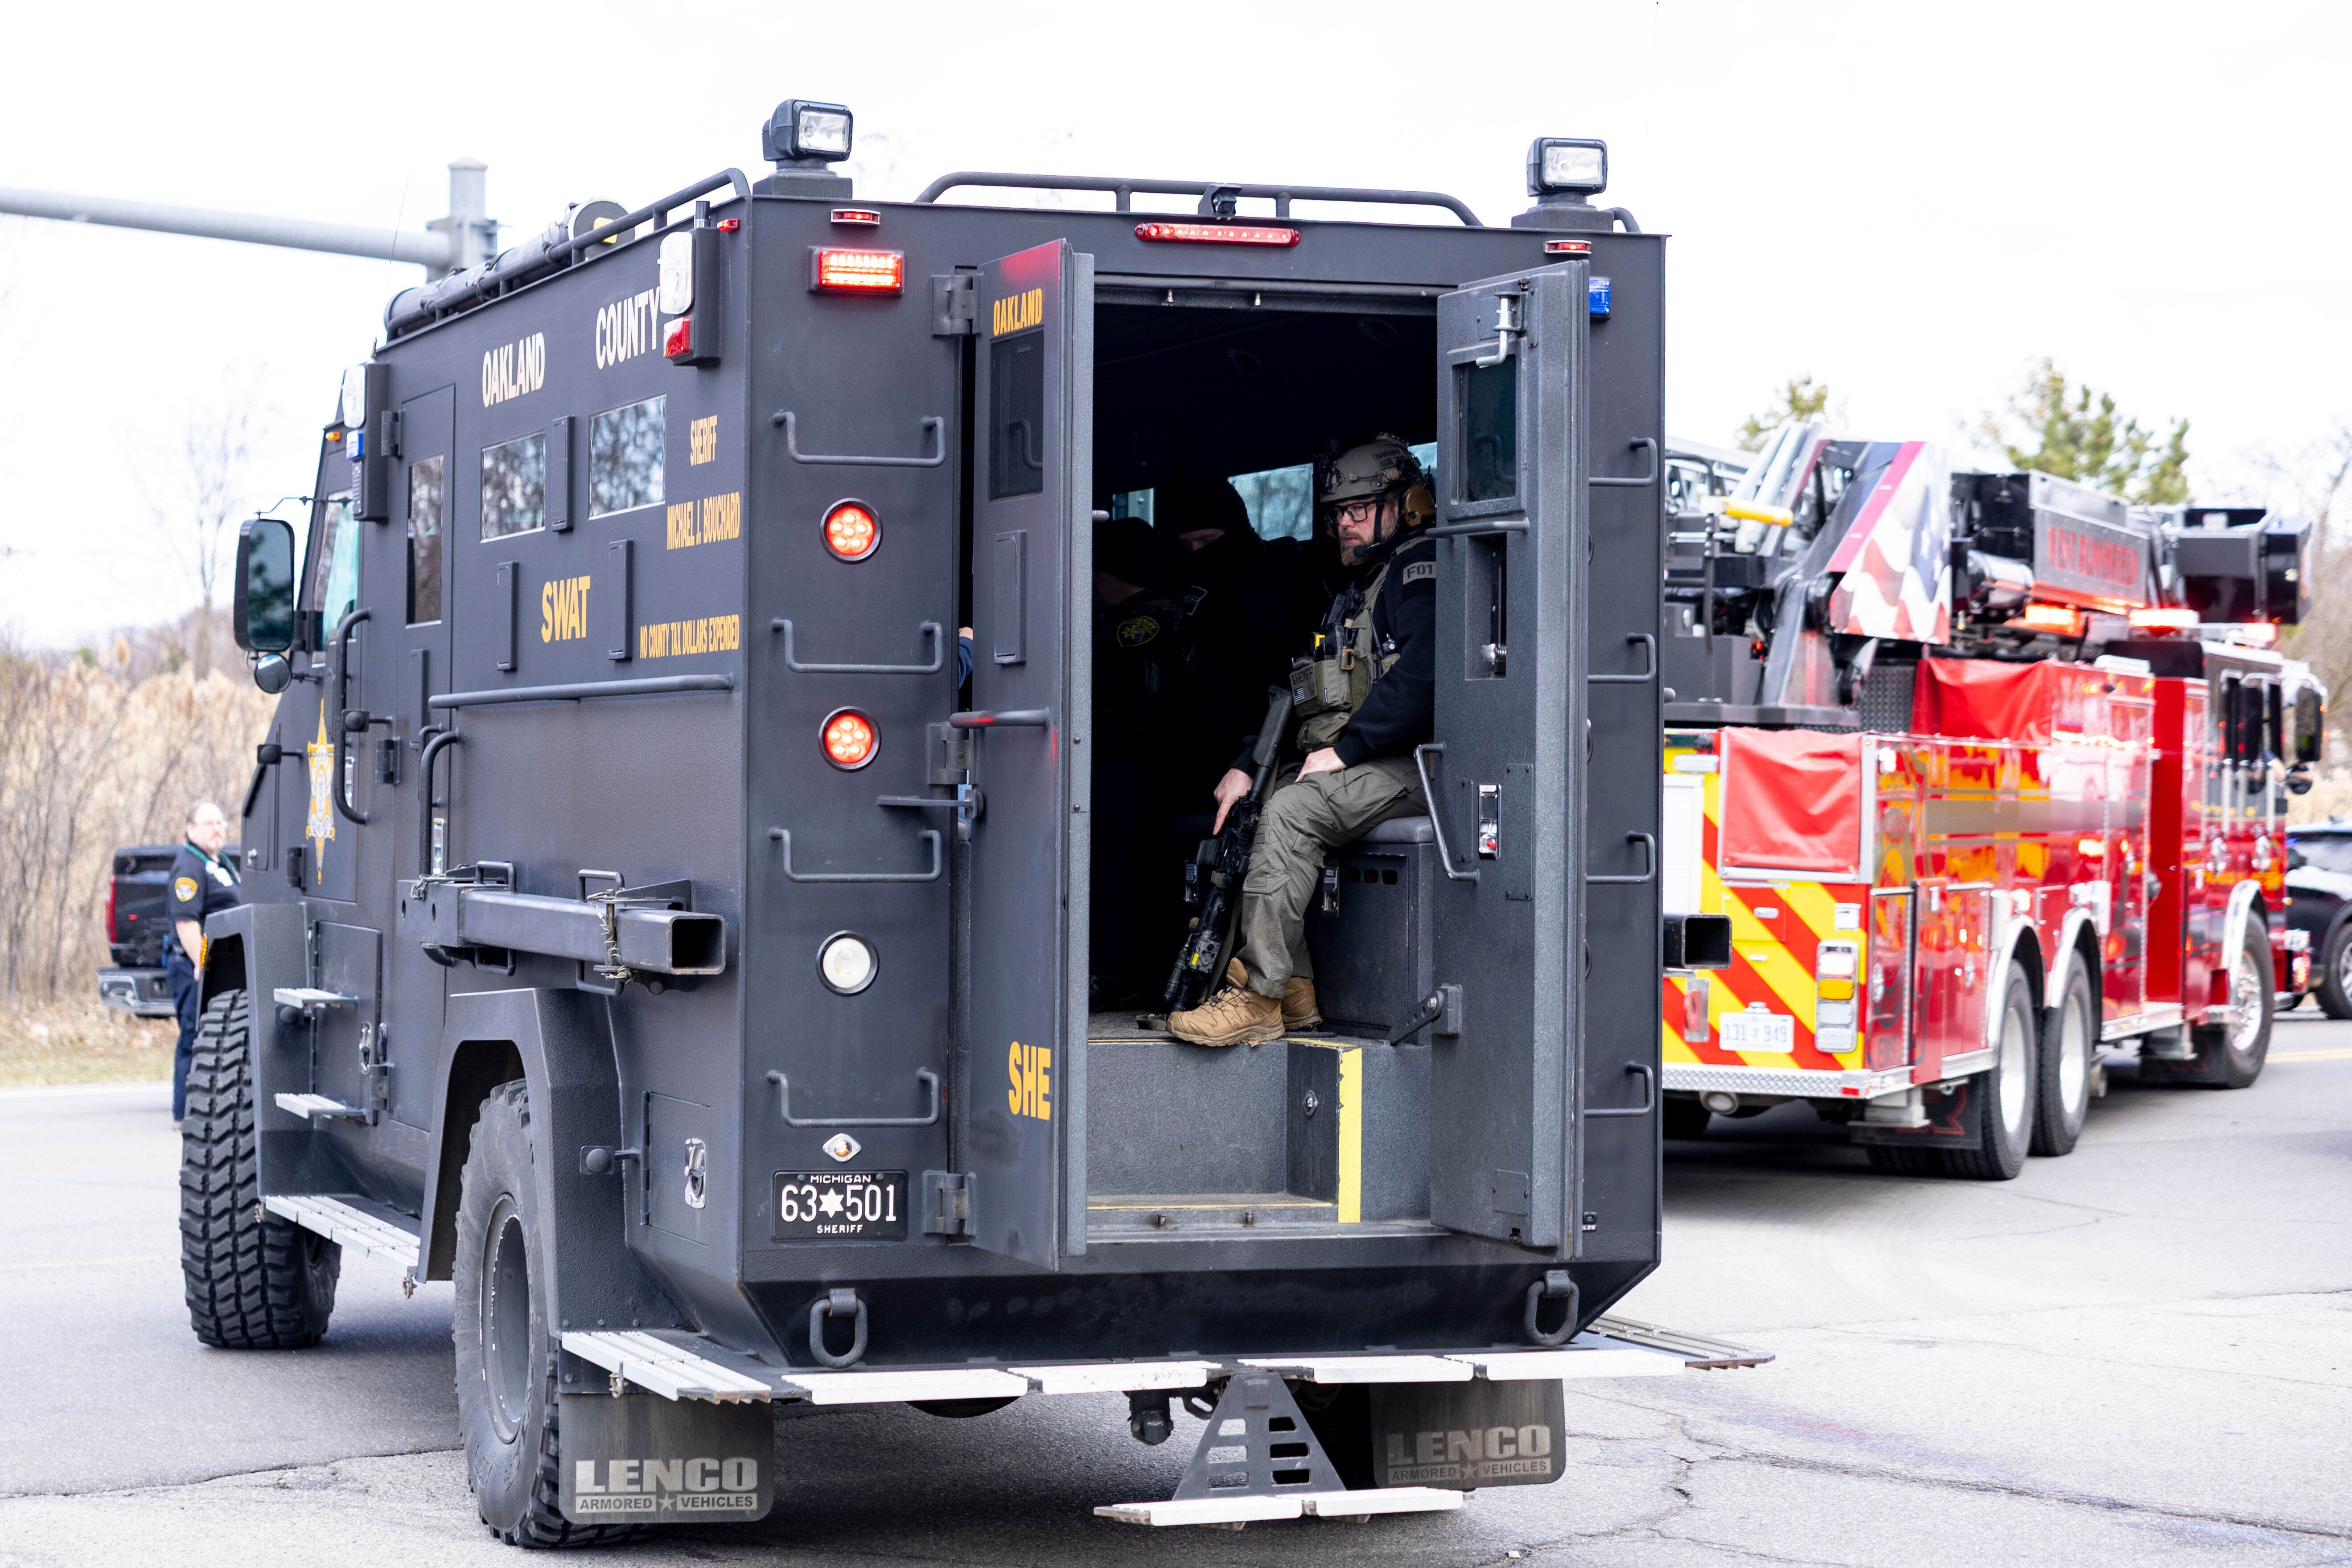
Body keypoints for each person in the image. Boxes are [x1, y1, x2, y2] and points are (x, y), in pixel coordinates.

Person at [1168, 436, 1437, 1047]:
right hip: (1361, 762)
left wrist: (1344, 751)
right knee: (1252, 807)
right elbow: (1301, 691)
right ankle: (1295, 988)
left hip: (1412, 767)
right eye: (1338, 512)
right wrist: (1246, 765)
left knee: (1291, 812)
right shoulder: (1351, 590)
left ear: (1407, 504)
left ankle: (1260, 996)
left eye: (1360, 508)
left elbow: (1425, 678)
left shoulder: (1418, 575)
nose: (1345, 523)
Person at [1089, 517, 1196, 1007]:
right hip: (1162, 767)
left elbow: (1097, 682)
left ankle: (1112, 969)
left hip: (1150, 771)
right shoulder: (1172, 609)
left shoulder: (1144, 620)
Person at [166, 800, 243, 1125]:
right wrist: (202, 964)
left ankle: (210, 1109)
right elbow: (187, 923)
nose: (217, 828)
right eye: (209, 823)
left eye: (221, 822)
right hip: (194, 967)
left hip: (221, 969)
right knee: (193, 1037)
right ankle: (185, 1114)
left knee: (214, 1036)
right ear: (190, 829)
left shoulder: (219, 861)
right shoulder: (190, 867)